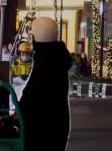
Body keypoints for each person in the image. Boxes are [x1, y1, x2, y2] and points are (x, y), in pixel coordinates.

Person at [19, 17, 72, 151]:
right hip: (58, 121)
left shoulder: (46, 58)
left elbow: (33, 92)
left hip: (42, 124)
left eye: (33, 37)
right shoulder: (58, 55)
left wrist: (20, 109)